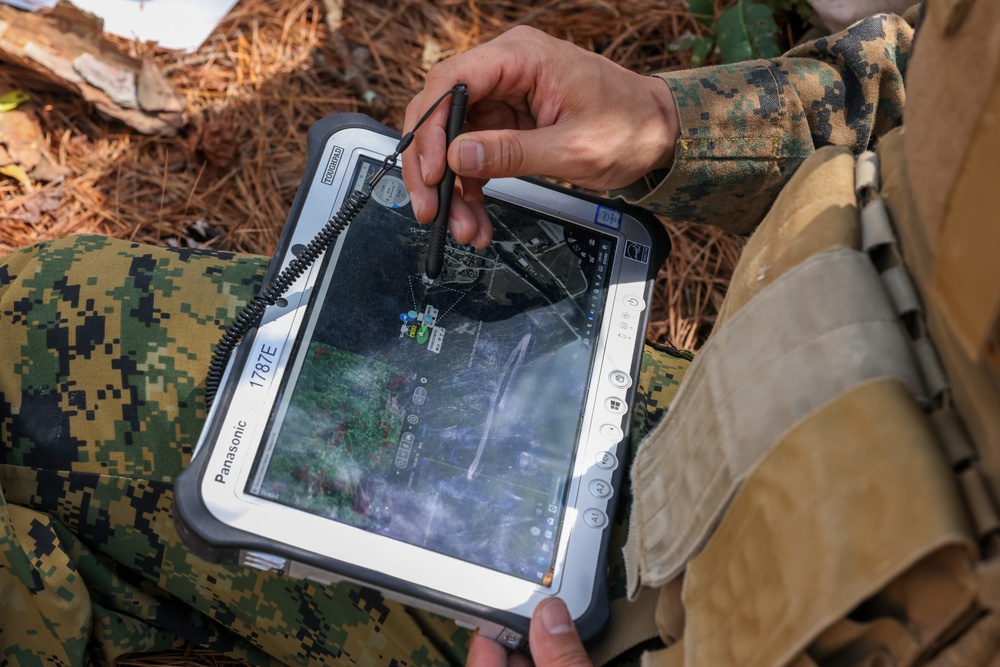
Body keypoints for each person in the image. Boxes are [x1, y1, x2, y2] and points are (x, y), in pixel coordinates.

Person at [6, 2, 999, 665]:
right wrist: (667, 123)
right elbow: (935, 89)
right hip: (699, 438)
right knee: (35, 327)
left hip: (650, 631)